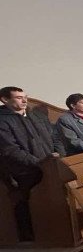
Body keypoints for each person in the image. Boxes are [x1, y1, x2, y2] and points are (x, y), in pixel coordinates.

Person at [0, 86, 62, 240]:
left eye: (25, 97)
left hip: (49, 166)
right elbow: (10, 150)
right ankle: (31, 235)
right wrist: (39, 162)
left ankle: (57, 231)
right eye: (18, 97)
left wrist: (59, 154)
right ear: (5, 100)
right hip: (24, 171)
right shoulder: (3, 120)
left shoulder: (35, 116)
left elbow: (54, 136)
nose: (24, 100)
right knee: (28, 201)